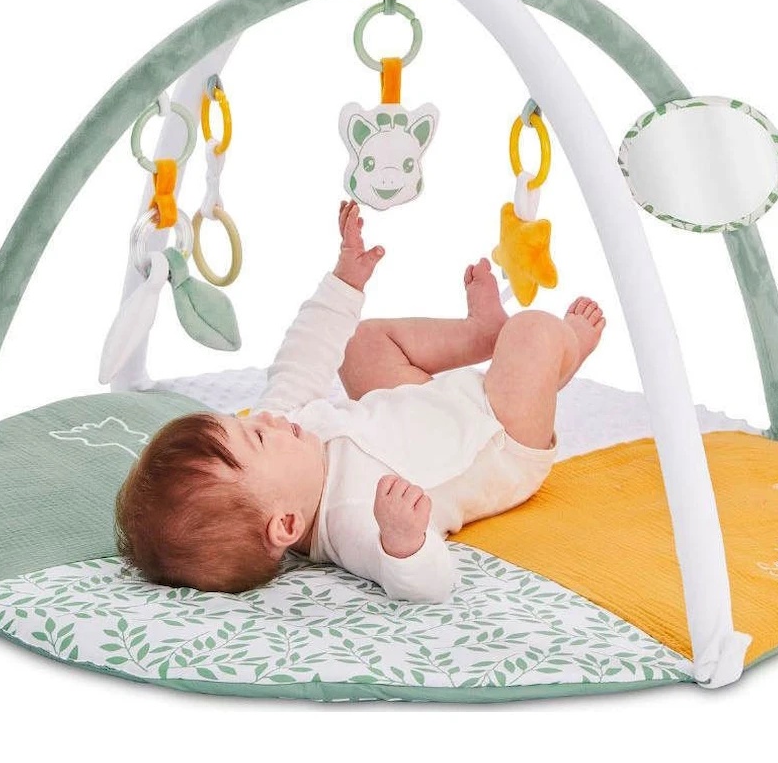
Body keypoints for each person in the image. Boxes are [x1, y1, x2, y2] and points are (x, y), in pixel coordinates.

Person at [115, 200, 605, 602]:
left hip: (429, 402)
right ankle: (565, 351)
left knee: (361, 345)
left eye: (243, 423)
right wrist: (403, 543)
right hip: (500, 440)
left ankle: (481, 334)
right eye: (256, 437)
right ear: (286, 524)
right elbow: (430, 586)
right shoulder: (354, 520)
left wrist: (344, 282)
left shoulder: (284, 430)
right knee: (532, 332)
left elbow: (303, 357)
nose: (263, 418)